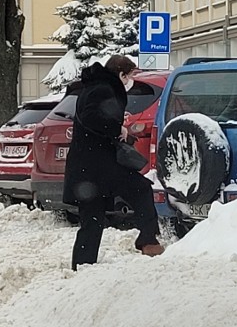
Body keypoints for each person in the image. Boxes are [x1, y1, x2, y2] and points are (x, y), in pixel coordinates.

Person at [63, 55, 164, 270]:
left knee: (92, 220)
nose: (131, 82)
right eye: (130, 77)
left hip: (88, 168)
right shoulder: (104, 89)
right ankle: (148, 240)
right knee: (141, 188)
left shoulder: (95, 87)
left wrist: (118, 128)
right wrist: (116, 127)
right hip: (98, 166)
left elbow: (93, 118)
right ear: (121, 74)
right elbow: (92, 117)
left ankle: (82, 266)